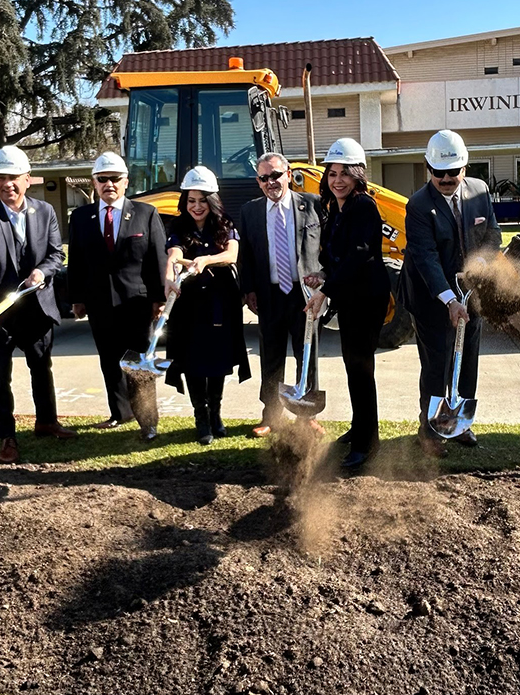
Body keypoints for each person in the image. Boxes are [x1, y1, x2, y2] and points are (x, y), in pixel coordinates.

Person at [0, 145, 77, 463]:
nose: (8, 184)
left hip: (37, 309)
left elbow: (57, 254)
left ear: (28, 179)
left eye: (14, 177)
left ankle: (46, 422)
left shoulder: (44, 212)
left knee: (41, 368)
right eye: (1, 177)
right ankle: (7, 437)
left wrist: (42, 272)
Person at [400, 129, 501, 454]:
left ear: (465, 169)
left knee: (468, 359)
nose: (446, 178)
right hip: (431, 297)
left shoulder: (480, 192)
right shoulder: (418, 204)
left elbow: (492, 236)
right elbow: (425, 257)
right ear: (428, 169)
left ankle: (458, 424)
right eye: (438, 172)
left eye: (452, 172)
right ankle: (429, 430)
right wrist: (449, 298)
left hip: (472, 295)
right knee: (437, 364)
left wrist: (480, 265)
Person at [67, 152, 167, 441]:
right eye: (102, 179)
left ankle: (148, 422)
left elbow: (157, 259)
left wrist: (158, 298)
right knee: (109, 361)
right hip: (100, 303)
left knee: (139, 365)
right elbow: (77, 261)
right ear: (94, 183)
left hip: (137, 302)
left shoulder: (145, 213)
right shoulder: (82, 217)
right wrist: (77, 298)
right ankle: (119, 413)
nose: (108, 184)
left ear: (126, 182)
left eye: (114, 179)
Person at [303, 139, 389, 470]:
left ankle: (369, 442)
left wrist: (326, 291)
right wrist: (322, 274)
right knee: (353, 367)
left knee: (361, 368)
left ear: (357, 176)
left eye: (344, 174)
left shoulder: (363, 206)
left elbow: (359, 253)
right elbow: (335, 255)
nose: (337, 180)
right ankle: (359, 428)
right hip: (350, 296)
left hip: (366, 298)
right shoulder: (335, 208)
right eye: (332, 173)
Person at [163, 166, 250, 444]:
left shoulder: (225, 225)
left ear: (212, 200)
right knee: (192, 362)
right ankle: (200, 418)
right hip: (189, 306)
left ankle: (216, 414)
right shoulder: (177, 226)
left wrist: (206, 259)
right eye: (191, 200)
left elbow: (231, 254)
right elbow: (174, 254)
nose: (196, 207)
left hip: (220, 303)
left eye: (202, 200)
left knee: (217, 360)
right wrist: (170, 273)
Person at [239, 152, 323, 437]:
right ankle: (271, 416)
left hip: (305, 295)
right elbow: (246, 255)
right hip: (270, 295)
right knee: (271, 356)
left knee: (307, 354)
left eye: (275, 175)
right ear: (258, 182)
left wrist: (324, 281)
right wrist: (248, 289)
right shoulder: (250, 211)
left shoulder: (313, 204)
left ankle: (306, 415)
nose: (270, 182)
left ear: (288, 174)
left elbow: (329, 246)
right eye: (264, 178)